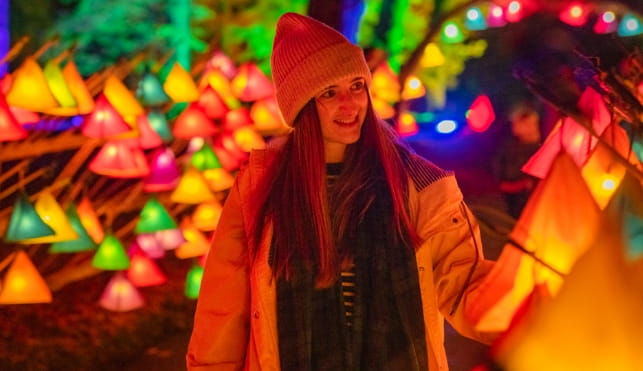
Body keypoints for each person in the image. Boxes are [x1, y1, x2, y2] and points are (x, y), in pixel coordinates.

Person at [187, 12, 496, 371]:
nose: (349, 104)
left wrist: (525, 307)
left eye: (356, 86)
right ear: (302, 105)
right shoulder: (263, 186)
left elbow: (463, 279)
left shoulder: (418, 183)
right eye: (329, 93)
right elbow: (223, 307)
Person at [492, 100, 542, 220]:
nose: (530, 128)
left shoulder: (540, 149)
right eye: (525, 124)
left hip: (533, 199)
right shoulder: (509, 148)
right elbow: (500, 169)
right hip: (512, 197)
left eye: (532, 124)